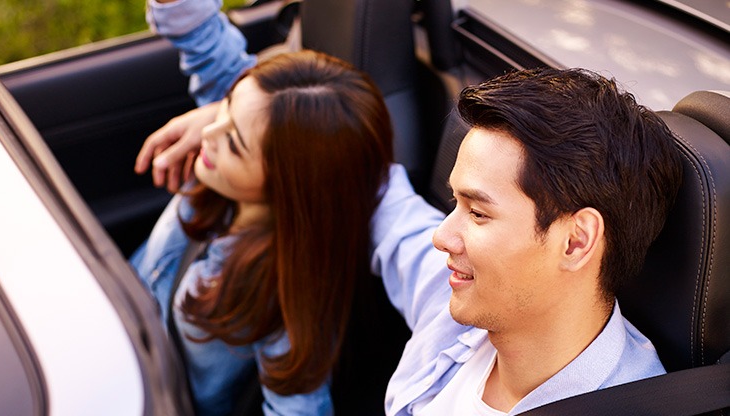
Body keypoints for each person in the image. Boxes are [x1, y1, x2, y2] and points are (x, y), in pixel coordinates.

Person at [141, 67, 683, 415]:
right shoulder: (462, 312)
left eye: (477, 212)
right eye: (454, 204)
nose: (443, 236)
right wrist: (236, 124)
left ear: (575, 241)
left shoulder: (630, 403)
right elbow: (373, 193)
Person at [131, 50, 394, 415]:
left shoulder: (284, 303)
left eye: (235, 143)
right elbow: (209, 52)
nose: (207, 131)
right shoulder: (220, 176)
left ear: (291, 186)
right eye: (224, 105)